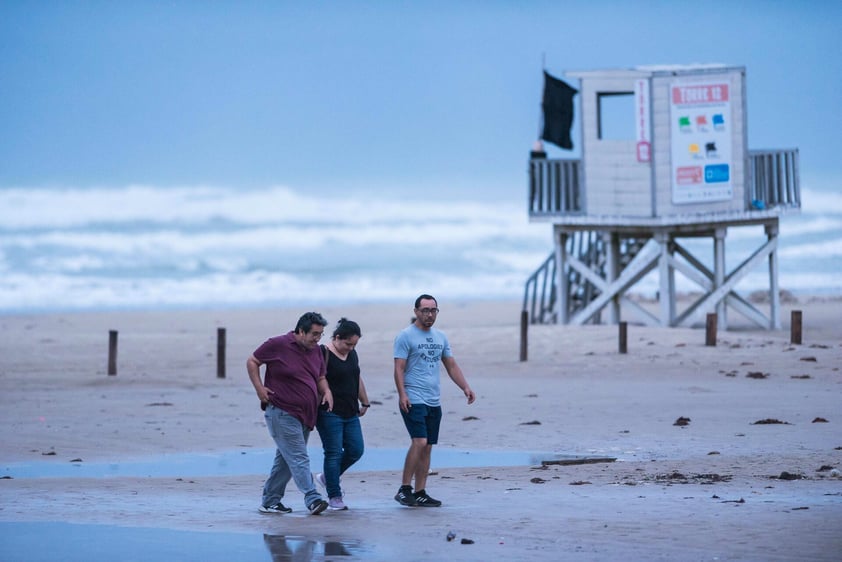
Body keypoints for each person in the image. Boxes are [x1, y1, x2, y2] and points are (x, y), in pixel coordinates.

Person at [246, 312, 333, 516]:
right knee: (298, 456)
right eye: (314, 334)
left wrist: (326, 391)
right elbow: (252, 361)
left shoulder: (316, 351)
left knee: (286, 459)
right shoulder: (277, 344)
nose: (317, 338)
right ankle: (312, 498)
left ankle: (270, 501)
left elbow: (320, 376)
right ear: (300, 331)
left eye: (321, 334)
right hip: (281, 411)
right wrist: (259, 389)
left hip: (306, 414)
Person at [393, 294, 476, 507]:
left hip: (433, 400)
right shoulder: (405, 336)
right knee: (418, 442)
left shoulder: (440, 337)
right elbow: (399, 368)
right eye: (425, 310)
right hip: (413, 397)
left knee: (428, 446)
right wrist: (402, 394)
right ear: (416, 312)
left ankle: (420, 491)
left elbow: (451, 365)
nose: (429, 314)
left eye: (433, 310)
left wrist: (465, 386)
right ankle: (404, 489)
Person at [314, 318, 370, 511]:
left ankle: (326, 477)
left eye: (354, 344)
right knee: (333, 453)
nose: (351, 348)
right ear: (337, 337)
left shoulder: (352, 355)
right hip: (329, 412)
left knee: (356, 450)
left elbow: (357, 378)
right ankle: (334, 496)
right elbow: (317, 379)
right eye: (348, 343)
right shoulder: (323, 353)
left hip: (350, 410)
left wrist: (365, 401)